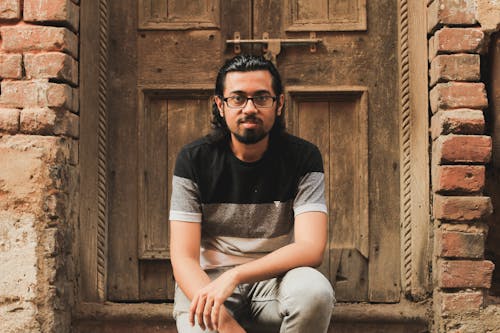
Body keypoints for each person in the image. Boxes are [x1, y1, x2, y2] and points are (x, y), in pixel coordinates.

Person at [169, 54, 335, 333]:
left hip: (277, 281)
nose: (249, 108)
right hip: (210, 282)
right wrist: (226, 324)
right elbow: (184, 257)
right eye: (237, 98)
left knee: (315, 292)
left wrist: (236, 275)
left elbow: (311, 247)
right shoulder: (194, 160)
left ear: (279, 103)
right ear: (220, 105)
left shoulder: (303, 157)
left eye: (261, 98)